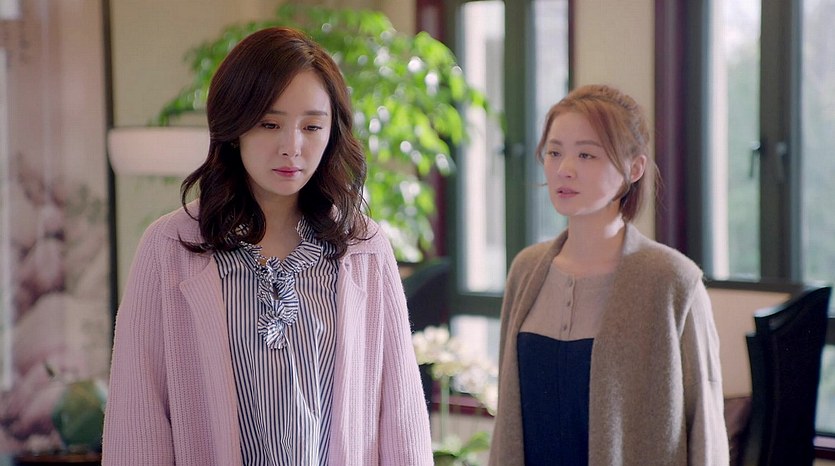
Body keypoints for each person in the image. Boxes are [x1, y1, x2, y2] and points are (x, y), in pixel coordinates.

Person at [102, 27, 433, 466]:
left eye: (312, 126)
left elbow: (402, 417)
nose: (292, 148)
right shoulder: (170, 247)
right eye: (269, 124)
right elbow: (136, 421)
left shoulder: (365, 248)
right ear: (233, 127)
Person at [488, 84, 728, 465]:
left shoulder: (673, 281)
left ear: (634, 168)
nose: (564, 169)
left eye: (586, 154)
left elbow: (706, 433)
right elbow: (508, 421)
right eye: (554, 152)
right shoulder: (525, 270)